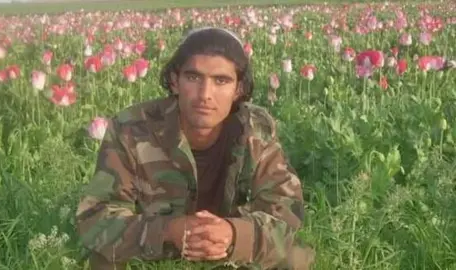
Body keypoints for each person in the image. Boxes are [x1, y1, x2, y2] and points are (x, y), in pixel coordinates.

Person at [75, 27, 315, 270]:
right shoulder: (132, 128)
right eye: (193, 77)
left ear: (238, 90)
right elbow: (96, 216)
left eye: (221, 80)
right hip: (156, 247)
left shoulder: (255, 129)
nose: (205, 94)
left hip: (226, 247)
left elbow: (286, 210)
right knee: (104, 259)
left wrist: (233, 234)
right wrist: (169, 230)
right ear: (174, 81)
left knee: (294, 257)